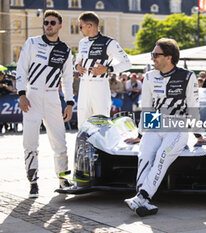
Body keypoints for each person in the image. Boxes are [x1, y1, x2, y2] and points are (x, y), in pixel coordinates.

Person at [124, 38, 206, 217]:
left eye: (156, 55)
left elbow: (193, 107)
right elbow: (147, 107)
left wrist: (198, 135)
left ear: (169, 57)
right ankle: (144, 201)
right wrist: (140, 134)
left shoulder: (188, 76)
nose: (152, 58)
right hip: (155, 123)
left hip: (178, 126)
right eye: (152, 55)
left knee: (161, 158)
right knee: (144, 157)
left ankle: (141, 196)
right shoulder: (149, 76)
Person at [15, 10, 74, 198]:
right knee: (30, 140)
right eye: (46, 22)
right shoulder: (32, 43)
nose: (49, 25)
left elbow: (67, 79)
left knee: (60, 140)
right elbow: (21, 69)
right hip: (32, 96)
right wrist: (22, 94)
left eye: (52, 23)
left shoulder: (65, 49)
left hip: (52, 98)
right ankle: (33, 182)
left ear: (59, 26)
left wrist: (70, 103)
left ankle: (63, 178)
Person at [75, 11, 131, 128]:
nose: (80, 29)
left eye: (81, 26)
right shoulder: (82, 42)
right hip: (84, 85)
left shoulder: (109, 42)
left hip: (99, 86)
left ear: (89, 26)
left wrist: (107, 69)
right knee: (82, 124)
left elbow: (127, 63)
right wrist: (77, 67)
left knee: (101, 123)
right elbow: (77, 60)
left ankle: (101, 146)